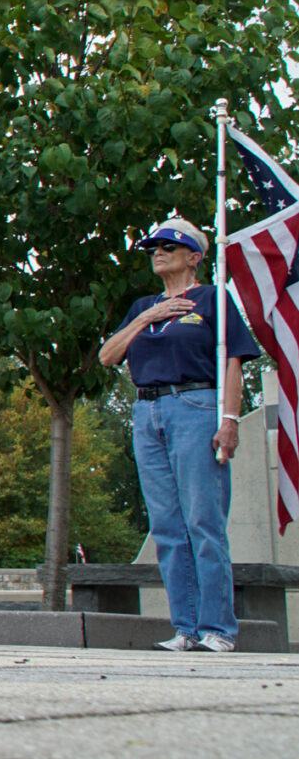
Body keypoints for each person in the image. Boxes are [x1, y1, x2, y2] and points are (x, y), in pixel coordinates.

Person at [98, 216, 259, 653]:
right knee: (167, 524)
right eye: (153, 247)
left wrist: (229, 419)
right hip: (148, 411)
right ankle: (185, 627)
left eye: (169, 245)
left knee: (202, 520)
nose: (158, 252)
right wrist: (146, 317)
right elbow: (108, 357)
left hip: (195, 405)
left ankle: (218, 629)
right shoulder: (143, 306)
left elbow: (233, 361)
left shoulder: (212, 299)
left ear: (194, 256)